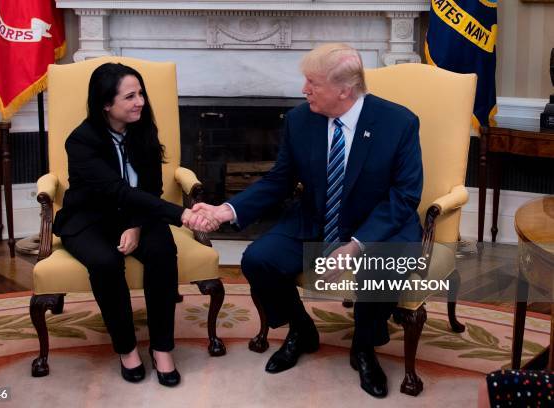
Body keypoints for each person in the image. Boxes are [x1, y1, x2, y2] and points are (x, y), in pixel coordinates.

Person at [193, 43, 423, 398]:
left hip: (379, 226)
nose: (304, 90)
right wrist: (227, 210)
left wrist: (356, 246)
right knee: (258, 259)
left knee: (384, 265)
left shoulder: (399, 123)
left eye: (312, 82)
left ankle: (364, 346)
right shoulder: (301, 120)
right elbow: (278, 180)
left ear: (344, 89)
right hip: (315, 218)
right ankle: (301, 329)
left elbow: (404, 196)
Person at [52, 62, 215, 386]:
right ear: (106, 104)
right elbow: (116, 189)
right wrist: (181, 214)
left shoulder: (143, 128)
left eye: (141, 93)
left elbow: (151, 186)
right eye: (130, 96)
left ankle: (162, 348)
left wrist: (137, 225)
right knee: (106, 262)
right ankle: (126, 348)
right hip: (90, 218)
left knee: (162, 251)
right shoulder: (81, 141)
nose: (140, 101)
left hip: (137, 214)